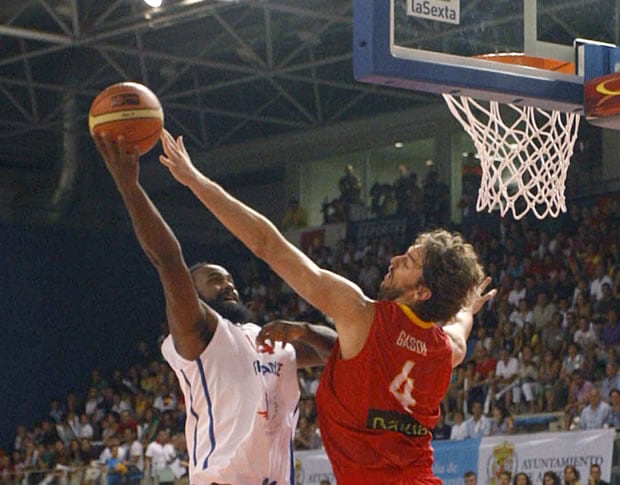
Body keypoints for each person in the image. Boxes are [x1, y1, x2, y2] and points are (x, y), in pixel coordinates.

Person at [157, 129, 495, 482]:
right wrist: (464, 306)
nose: (395, 260)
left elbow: (267, 244)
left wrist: (195, 181)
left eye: (408, 262)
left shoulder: (362, 315)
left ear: (422, 293)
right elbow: (461, 323)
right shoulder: (446, 348)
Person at [94, 133, 337, 484]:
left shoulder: (267, 339)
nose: (229, 285)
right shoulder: (200, 337)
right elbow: (167, 258)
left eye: (231, 280)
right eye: (214, 279)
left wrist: (306, 330)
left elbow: (341, 350)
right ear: (191, 294)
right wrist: (129, 188)